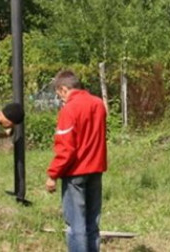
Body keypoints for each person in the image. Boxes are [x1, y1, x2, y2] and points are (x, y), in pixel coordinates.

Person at [46, 70, 107, 252]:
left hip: (75, 173)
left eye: (59, 95)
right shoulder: (98, 104)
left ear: (64, 89)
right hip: (96, 169)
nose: (61, 100)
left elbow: (66, 148)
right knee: (92, 222)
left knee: (76, 225)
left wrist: (52, 175)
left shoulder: (70, 109)